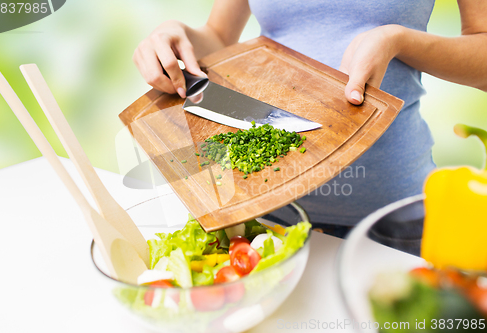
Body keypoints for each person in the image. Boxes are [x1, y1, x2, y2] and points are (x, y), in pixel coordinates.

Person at [133, 0, 487, 239]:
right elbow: (219, 38)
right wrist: (175, 38)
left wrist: (398, 40)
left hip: (393, 218)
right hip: (266, 212)